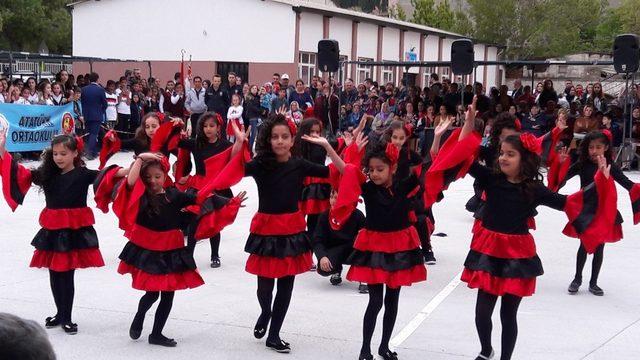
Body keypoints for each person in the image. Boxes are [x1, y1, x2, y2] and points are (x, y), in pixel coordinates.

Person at [428, 99, 616, 360]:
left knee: (508, 314)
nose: (503, 157)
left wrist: (599, 182)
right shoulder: (490, 178)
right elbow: (462, 157)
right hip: (489, 249)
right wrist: (468, 125)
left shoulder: (533, 188)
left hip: (517, 255)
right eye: (502, 153)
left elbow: (568, 204)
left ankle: (506, 357)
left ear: (524, 159)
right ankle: (485, 350)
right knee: (482, 312)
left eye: (510, 154)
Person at [113, 152, 245, 347]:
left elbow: (201, 197)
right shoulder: (141, 196)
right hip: (149, 248)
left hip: (171, 249)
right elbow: (130, 182)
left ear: (165, 176)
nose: (153, 181)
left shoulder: (174, 195)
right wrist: (141, 158)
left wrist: (229, 203)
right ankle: (139, 316)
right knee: (151, 294)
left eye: (157, 176)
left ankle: (156, 334)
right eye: (148, 177)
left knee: (168, 294)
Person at [0, 133, 126, 335]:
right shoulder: (46, 174)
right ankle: (59, 313)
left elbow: (107, 176)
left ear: (75, 153)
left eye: (63, 154)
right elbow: (17, 173)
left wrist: (134, 167)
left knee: (67, 275)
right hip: (52, 230)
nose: (58, 158)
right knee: (54, 273)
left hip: (73, 231)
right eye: (55, 153)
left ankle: (66, 316)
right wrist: (2, 150)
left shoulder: (83, 174)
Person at [242, 115, 345, 353]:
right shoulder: (260, 164)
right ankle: (265, 311)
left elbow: (338, 171)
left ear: (292, 140)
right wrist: (239, 144)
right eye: (275, 137)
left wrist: (328, 146)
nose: (279, 141)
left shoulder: (299, 164)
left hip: (292, 231)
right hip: (266, 230)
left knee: (286, 287)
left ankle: (274, 335)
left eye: (284, 137)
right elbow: (234, 170)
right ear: (268, 140)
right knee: (265, 286)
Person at [343, 141, 427, 360]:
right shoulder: (369, 188)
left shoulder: (403, 186)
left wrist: (435, 139)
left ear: (393, 168)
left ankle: (384, 346)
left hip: (399, 248)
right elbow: (346, 169)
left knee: (392, 300)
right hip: (375, 248)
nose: (375, 174)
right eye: (371, 170)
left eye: (380, 169)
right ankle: (365, 348)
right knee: (375, 301)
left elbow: (428, 165)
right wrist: (331, 147)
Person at [555, 131, 636, 296]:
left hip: (604, 213)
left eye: (598, 147)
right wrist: (560, 166)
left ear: (606, 148)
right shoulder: (582, 164)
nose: (594, 151)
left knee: (599, 247)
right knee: (584, 245)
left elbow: (627, 184)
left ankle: (594, 282)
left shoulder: (610, 166)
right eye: (591, 147)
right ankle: (577, 278)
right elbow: (561, 181)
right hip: (585, 212)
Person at [178, 112, 234, 268]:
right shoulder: (196, 143)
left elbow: (242, 158)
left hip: (217, 188)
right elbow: (174, 142)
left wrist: (241, 139)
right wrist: (177, 126)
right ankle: (189, 255)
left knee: (213, 223)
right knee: (194, 222)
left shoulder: (226, 146)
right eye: (205, 126)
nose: (208, 129)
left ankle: (215, 255)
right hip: (199, 187)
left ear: (218, 128)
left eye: (211, 125)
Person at [313, 188, 365, 286]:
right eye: (331, 197)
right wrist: (322, 256)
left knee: (365, 247)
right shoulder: (325, 216)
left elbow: (365, 237)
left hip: (353, 249)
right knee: (323, 268)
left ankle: (362, 277)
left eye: (336, 198)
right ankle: (336, 269)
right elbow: (317, 239)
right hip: (334, 249)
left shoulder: (357, 215)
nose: (332, 201)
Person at [80, 73, 107, 159]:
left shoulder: (83, 89)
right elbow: (105, 104)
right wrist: (101, 112)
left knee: (88, 134)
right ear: (97, 79)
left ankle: (93, 151)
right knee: (94, 134)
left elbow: (82, 102)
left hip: (86, 115)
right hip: (97, 115)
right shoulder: (100, 90)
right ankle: (90, 152)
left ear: (89, 79)